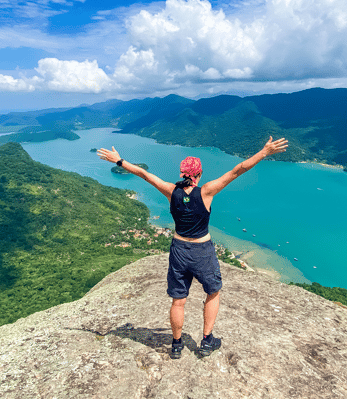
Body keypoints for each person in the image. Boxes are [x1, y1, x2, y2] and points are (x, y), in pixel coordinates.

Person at [97, 136, 288, 359]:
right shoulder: (206, 191)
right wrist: (264, 152)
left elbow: (145, 175)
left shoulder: (171, 191)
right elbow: (238, 170)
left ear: (182, 173)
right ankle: (207, 341)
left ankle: (176, 345)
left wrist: (119, 161)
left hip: (178, 250)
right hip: (202, 251)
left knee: (179, 300)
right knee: (213, 292)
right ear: (199, 174)